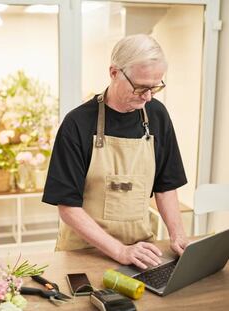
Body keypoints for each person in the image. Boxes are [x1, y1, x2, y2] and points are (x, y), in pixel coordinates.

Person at [43, 34, 189, 269]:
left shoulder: (157, 115)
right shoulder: (78, 123)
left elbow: (166, 186)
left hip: (140, 251)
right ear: (114, 72)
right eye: (141, 87)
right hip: (84, 253)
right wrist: (120, 251)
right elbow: (68, 207)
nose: (148, 96)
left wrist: (178, 235)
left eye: (155, 87)